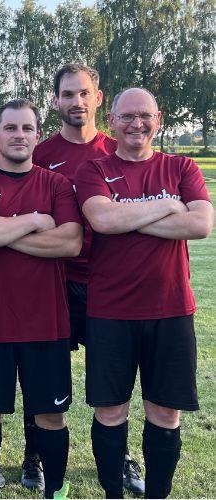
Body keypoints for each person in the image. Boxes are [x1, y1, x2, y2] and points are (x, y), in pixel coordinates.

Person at [75, 88, 213, 499]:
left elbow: (200, 224)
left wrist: (127, 217)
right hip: (110, 311)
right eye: (127, 116)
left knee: (166, 413)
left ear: (159, 119)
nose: (137, 124)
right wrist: (169, 205)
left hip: (171, 309)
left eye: (145, 116)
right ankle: (112, 494)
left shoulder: (181, 166)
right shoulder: (94, 169)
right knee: (110, 411)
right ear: (112, 121)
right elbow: (102, 220)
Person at [0, 98, 81, 500]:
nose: (19, 135)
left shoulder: (56, 185)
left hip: (46, 321)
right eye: (10, 128)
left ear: (38, 135)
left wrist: (2, 230)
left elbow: (70, 242)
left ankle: (55, 491)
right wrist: (34, 221)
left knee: (51, 414)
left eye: (27, 128)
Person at [31, 63, 143, 496]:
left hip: (109, 283)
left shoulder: (118, 149)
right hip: (53, 279)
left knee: (114, 378)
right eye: (67, 94)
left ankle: (120, 458)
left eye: (83, 93)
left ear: (98, 98)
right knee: (43, 372)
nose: (76, 102)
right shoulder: (41, 153)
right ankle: (35, 455)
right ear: (55, 100)